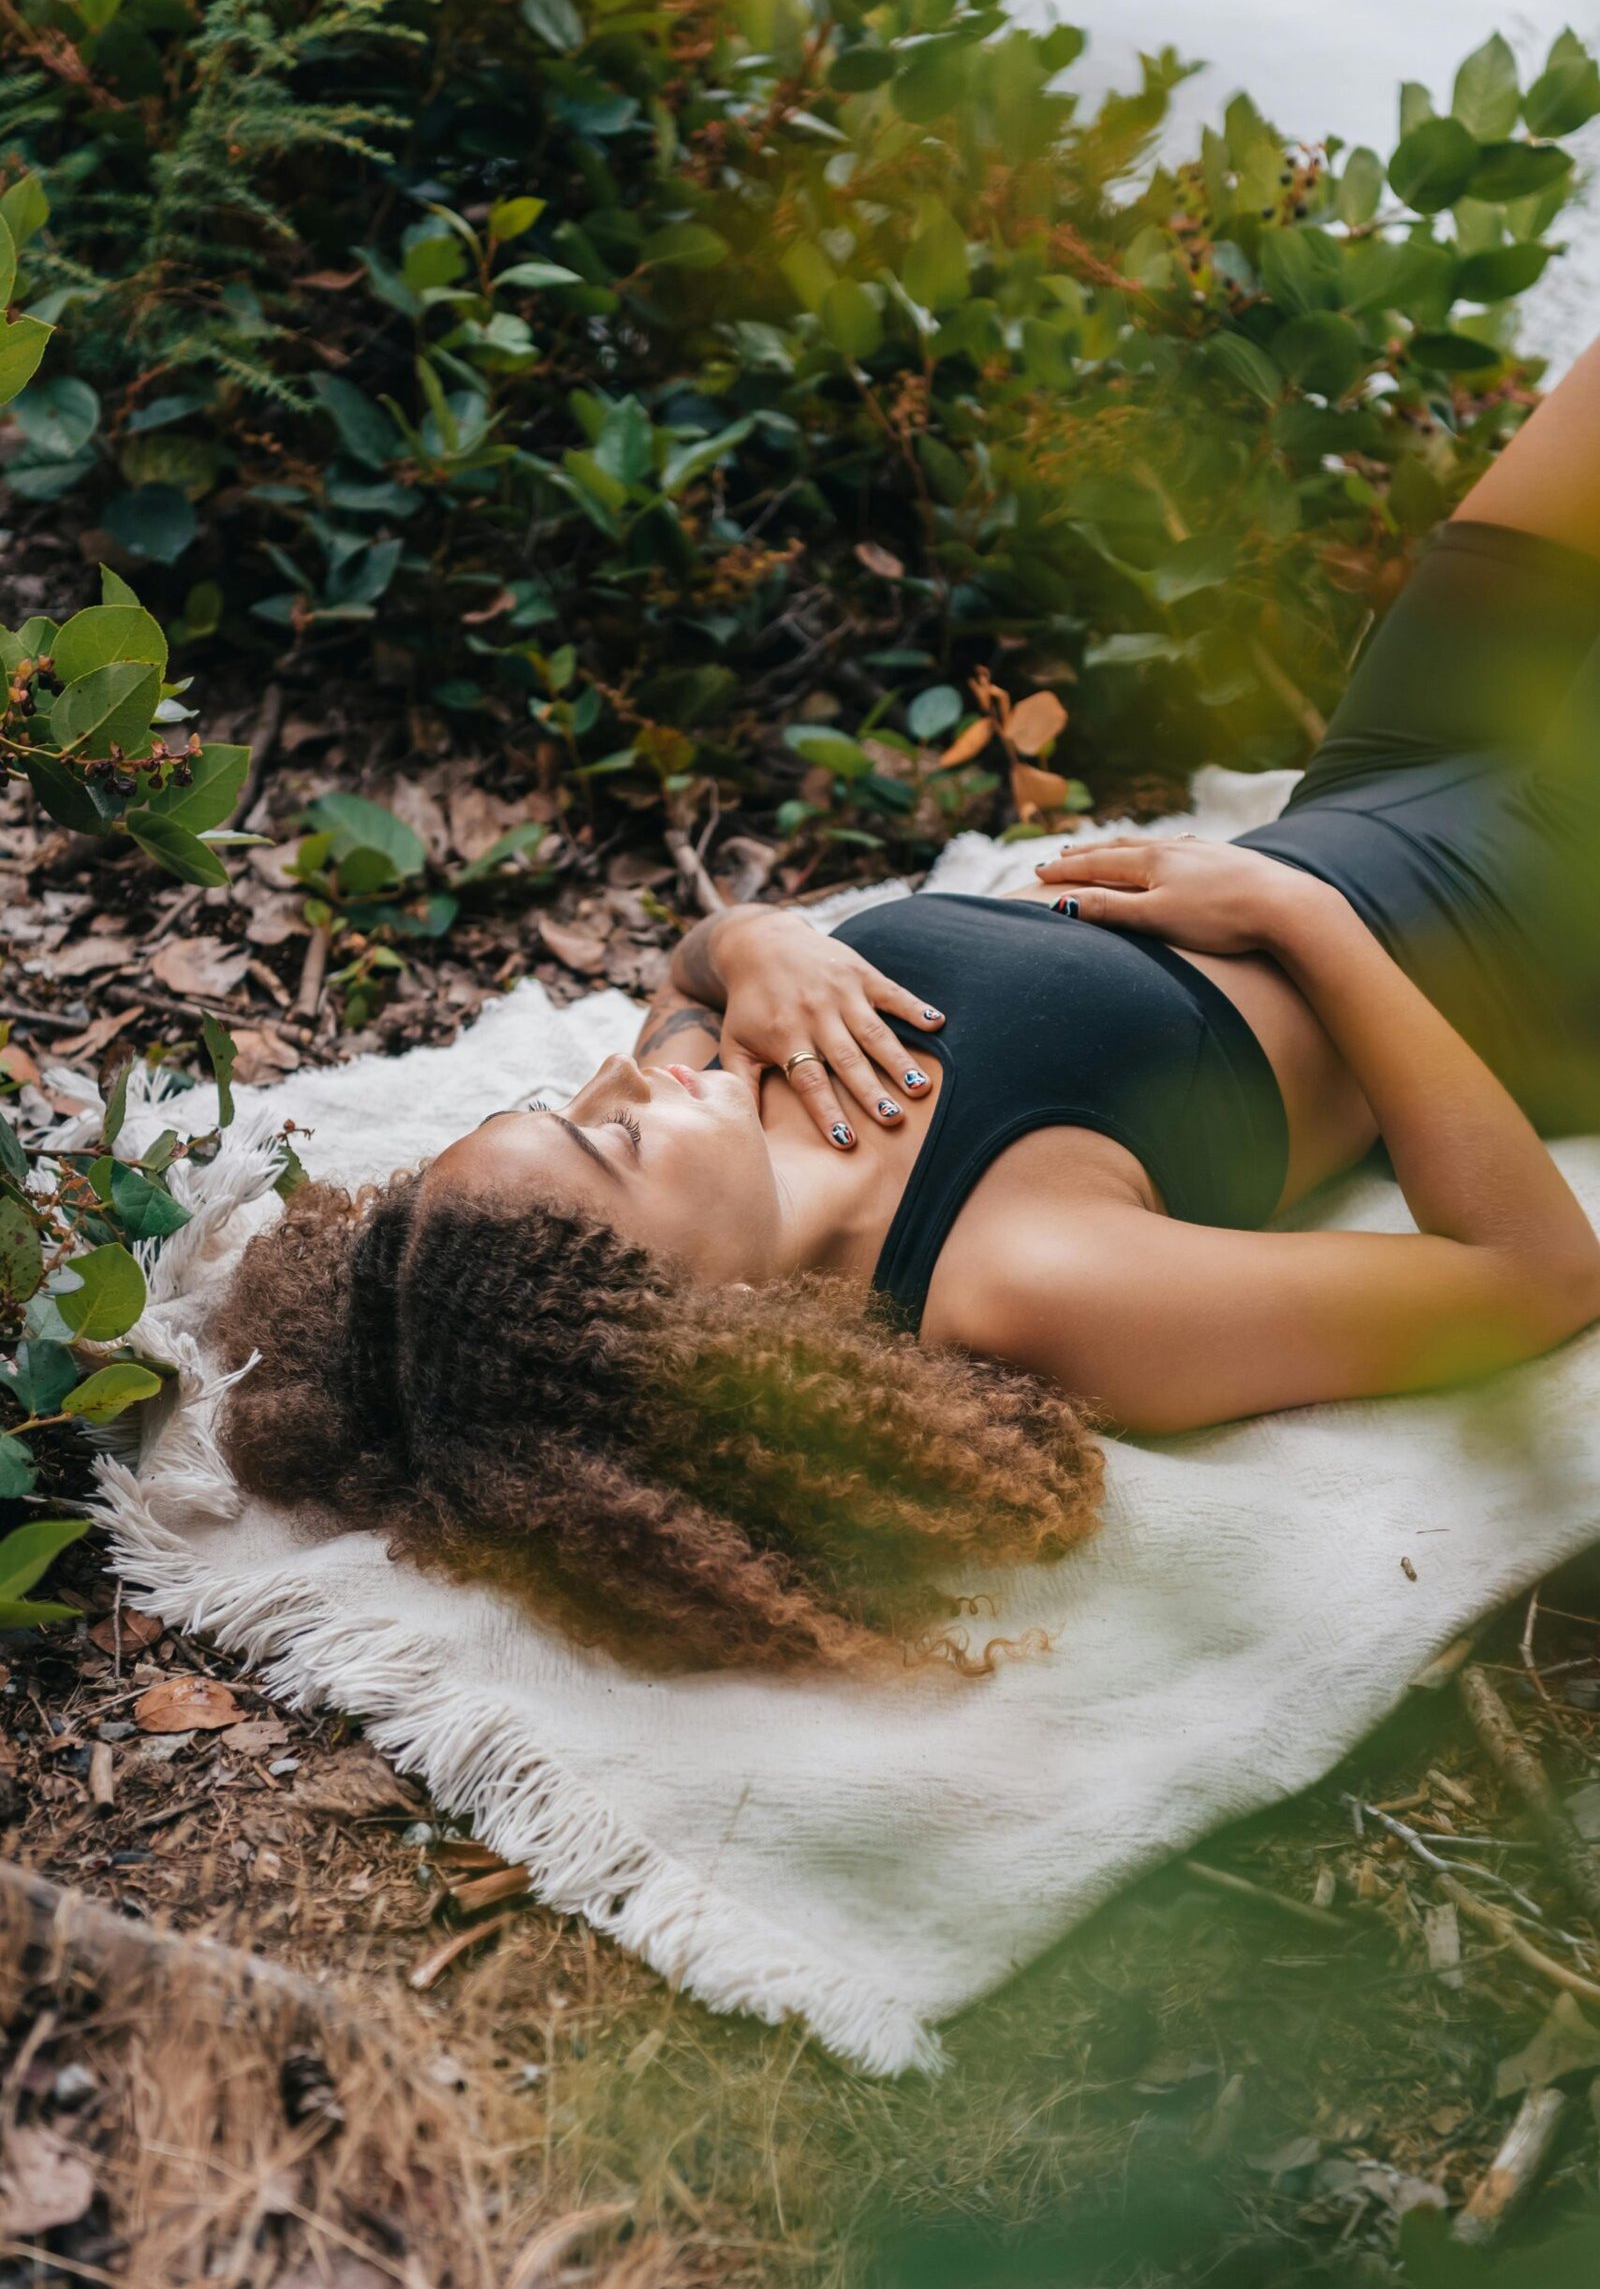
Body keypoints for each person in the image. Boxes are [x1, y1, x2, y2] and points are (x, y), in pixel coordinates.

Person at [222, 340, 1600, 1675]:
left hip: (1382, 775)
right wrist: (1305, 920)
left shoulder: (737, 1093)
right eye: (611, 1141)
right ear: (688, 1322)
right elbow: (1531, 1276)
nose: (624, 1079)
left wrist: (757, 938)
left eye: (569, 1098)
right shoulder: (1020, 1275)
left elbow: (692, 973)